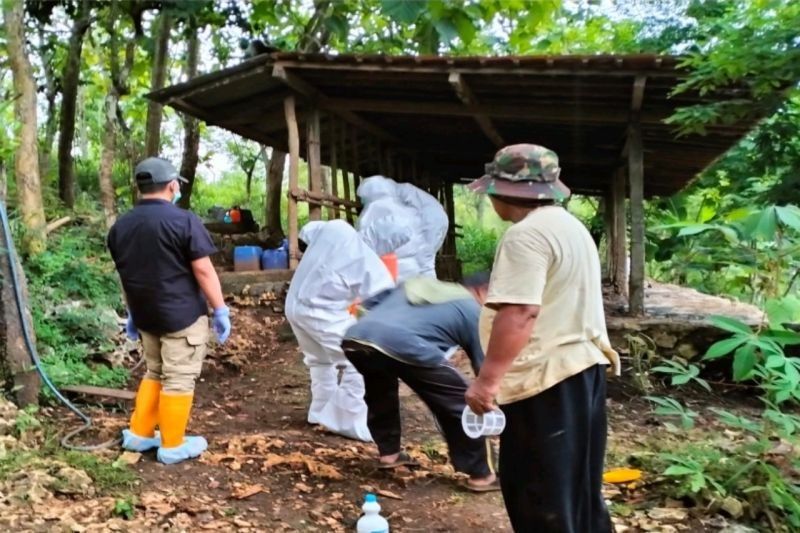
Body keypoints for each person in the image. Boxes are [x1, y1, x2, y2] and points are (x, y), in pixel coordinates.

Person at [464, 145, 620, 532]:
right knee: (578, 490)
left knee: (540, 493)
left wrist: (487, 381)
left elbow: (520, 312)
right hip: (584, 371)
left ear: (504, 191)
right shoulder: (570, 227)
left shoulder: (525, 236)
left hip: (545, 381)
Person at [108, 157, 231, 465]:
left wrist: (133, 312)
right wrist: (220, 309)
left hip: (147, 316)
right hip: (182, 317)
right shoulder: (183, 221)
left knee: (155, 372)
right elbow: (203, 270)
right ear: (173, 185)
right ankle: (173, 444)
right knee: (178, 378)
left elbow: (126, 273)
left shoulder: (121, 226)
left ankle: (140, 433)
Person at [342, 274, 499, 492]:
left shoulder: (417, 284)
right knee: (463, 405)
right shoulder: (472, 309)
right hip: (404, 343)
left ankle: (390, 455)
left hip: (356, 338)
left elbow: (366, 305)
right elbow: (483, 369)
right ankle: (482, 475)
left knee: (380, 392)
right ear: (482, 290)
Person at [284, 219, 410, 441]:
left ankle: (320, 411)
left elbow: (308, 230)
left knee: (320, 360)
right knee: (364, 356)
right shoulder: (371, 263)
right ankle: (346, 419)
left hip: (294, 305)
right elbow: (381, 307)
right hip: (321, 309)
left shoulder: (337, 227)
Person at [356, 176, 426, 282]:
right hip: (413, 268)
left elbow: (363, 241)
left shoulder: (373, 209)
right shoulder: (401, 208)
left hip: (391, 268)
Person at [395, 182, 448, 278]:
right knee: (426, 259)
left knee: (424, 261)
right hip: (440, 217)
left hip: (430, 219)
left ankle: (428, 289)